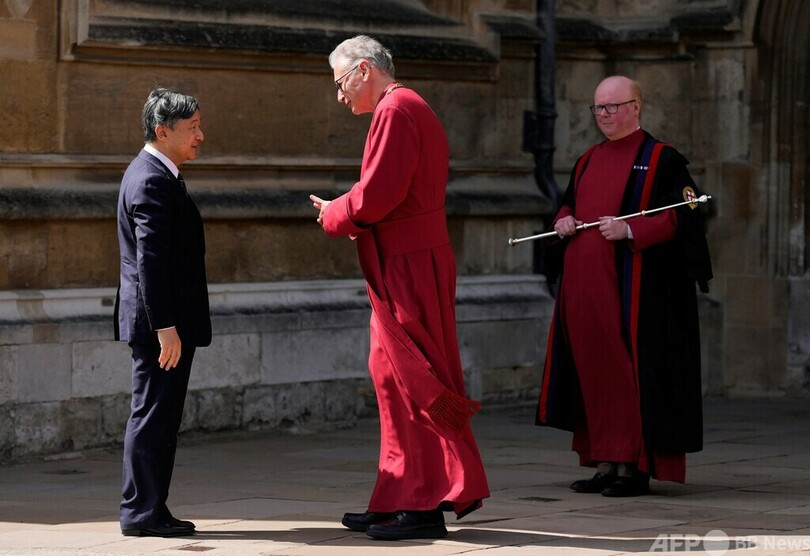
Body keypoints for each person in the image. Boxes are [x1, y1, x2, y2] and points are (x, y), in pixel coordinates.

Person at [309, 35, 490, 540]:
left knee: (415, 379)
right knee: (391, 377)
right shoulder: (401, 108)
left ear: (365, 70)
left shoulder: (397, 109)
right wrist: (348, 206)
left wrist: (335, 213)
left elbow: (379, 196)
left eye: (341, 82)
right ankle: (395, 496)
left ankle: (424, 502)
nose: (340, 96)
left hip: (409, 263)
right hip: (405, 260)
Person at [536, 75, 712, 497]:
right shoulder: (587, 159)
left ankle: (633, 467)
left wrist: (632, 229)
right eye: (598, 108)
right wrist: (563, 217)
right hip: (584, 290)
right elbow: (570, 203)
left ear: (637, 107)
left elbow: (685, 215)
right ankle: (605, 461)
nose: (605, 115)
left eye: (613, 107)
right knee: (591, 374)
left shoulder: (664, 160)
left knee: (628, 375)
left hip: (633, 295)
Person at [114, 87, 211, 537]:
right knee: (152, 414)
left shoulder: (157, 172)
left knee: (159, 415)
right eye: (191, 129)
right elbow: (150, 263)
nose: (200, 136)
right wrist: (166, 329)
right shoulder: (151, 178)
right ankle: (141, 513)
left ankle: (152, 508)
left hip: (164, 322)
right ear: (162, 131)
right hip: (161, 326)